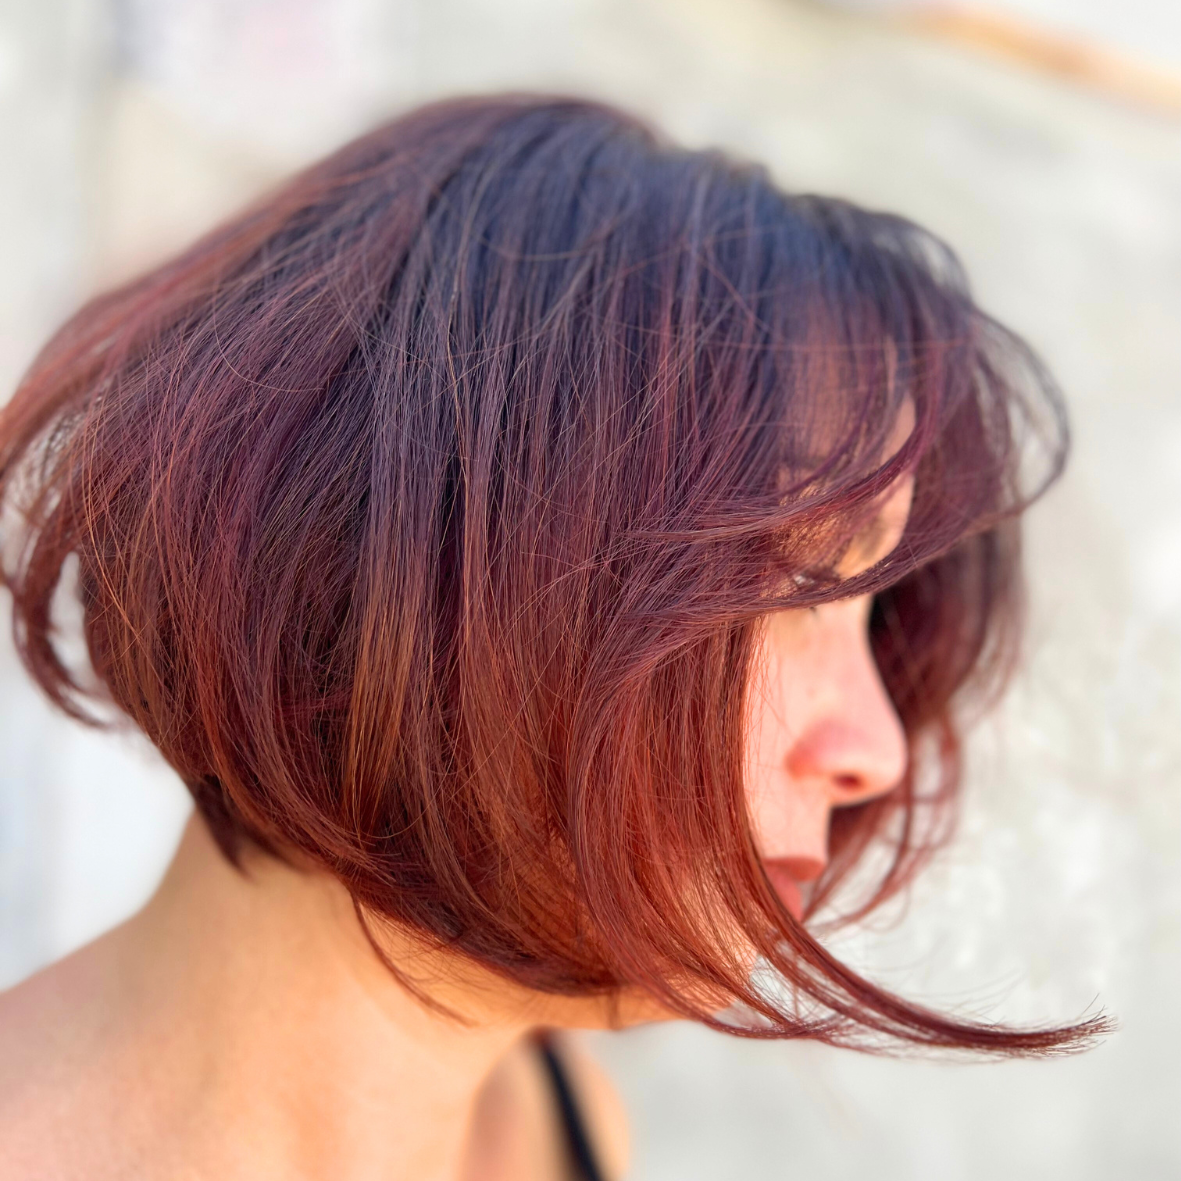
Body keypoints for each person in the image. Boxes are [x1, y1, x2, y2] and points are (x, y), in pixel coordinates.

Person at [0, 94, 1106, 1180]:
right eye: (799, 581)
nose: (876, 746)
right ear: (423, 560)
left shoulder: (561, 1117)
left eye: (873, 610)